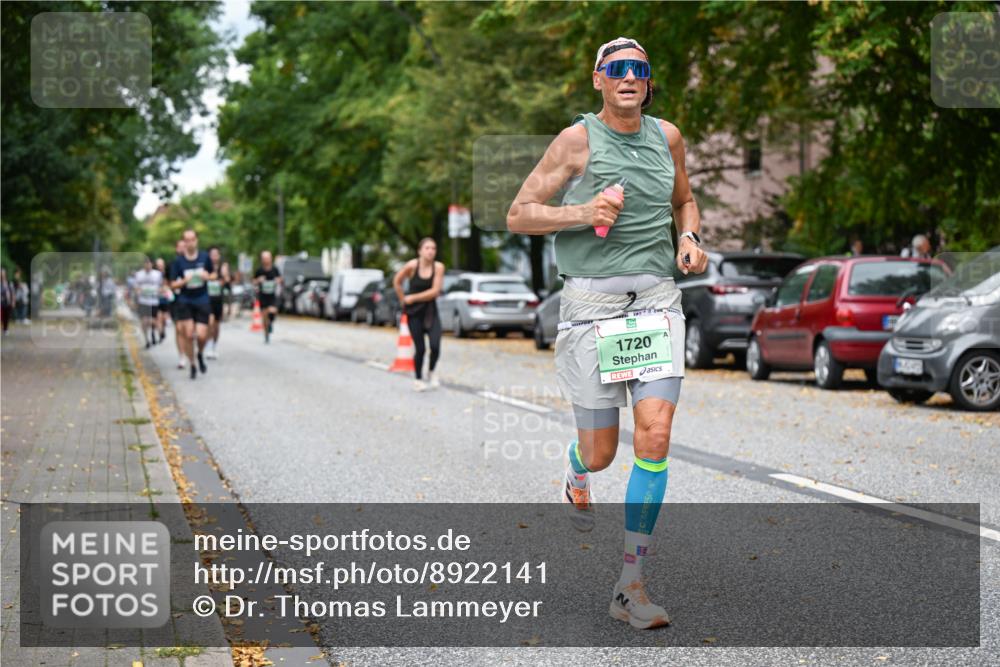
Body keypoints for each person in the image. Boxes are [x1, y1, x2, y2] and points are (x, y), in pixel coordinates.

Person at [507, 36, 708, 630]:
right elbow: (519, 212)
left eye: (639, 70)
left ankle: (630, 585)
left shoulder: (667, 137)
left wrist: (690, 239)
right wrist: (582, 213)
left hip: (654, 301)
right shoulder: (576, 141)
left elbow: (686, 201)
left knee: (656, 432)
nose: (628, 77)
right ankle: (575, 471)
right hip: (591, 306)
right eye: (616, 69)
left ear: (648, 83)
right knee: (601, 453)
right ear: (598, 79)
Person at [393, 238, 445, 391]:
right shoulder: (412, 265)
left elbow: (435, 292)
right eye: (427, 248)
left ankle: (431, 371)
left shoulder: (439, 267)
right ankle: (418, 379)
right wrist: (402, 299)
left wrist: (412, 297)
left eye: (433, 248)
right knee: (420, 348)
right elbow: (397, 281)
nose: (430, 251)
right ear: (420, 251)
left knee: (435, 346)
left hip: (430, 311)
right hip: (414, 312)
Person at [170, 229, 214, 379]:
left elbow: (214, 274)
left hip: (202, 299)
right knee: (188, 335)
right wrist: (184, 281)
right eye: (187, 240)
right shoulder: (178, 262)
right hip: (185, 300)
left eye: (192, 239)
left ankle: (200, 353)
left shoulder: (204, 257)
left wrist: (207, 276)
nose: (190, 243)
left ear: (196, 241)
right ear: (184, 242)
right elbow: (172, 284)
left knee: (201, 336)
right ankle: (193, 364)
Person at [133, 257, 163, 348]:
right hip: (143, 301)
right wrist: (138, 292)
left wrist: (160, 291)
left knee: (153, 320)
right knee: (144, 321)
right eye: (146, 264)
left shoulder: (157, 274)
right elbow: (136, 287)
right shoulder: (139, 274)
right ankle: (147, 340)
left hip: (154, 301)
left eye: (149, 263)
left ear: (152, 264)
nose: (147, 265)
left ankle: (159, 332)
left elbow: (162, 286)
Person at [205, 246, 229, 359]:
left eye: (216, 254)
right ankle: (209, 346)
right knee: (209, 323)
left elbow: (227, 282)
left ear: (219, 256)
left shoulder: (223, 268)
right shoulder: (205, 268)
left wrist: (224, 275)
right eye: (212, 254)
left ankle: (214, 346)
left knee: (216, 325)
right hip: (207, 300)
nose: (214, 256)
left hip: (218, 300)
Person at [253, 251, 281, 343]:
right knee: (264, 317)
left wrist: (278, 280)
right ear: (262, 259)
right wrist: (258, 280)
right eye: (264, 258)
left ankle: (270, 323)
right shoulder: (259, 270)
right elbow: (253, 281)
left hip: (272, 295)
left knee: (273, 311)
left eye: (267, 258)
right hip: (263, 296)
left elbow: (280, 279)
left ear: (270, 259)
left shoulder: (275, 269)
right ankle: (266, 336)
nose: (266, 260)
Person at [155, 257, 171, 343]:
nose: (160, 267)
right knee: (158, 317)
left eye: (161, 265)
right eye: (158, 265)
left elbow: (171, 283)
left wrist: (167, 288)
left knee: (164, 318)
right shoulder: (154, 274)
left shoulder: (167, 273)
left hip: (166, 298)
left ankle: (163, 330)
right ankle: (160, 333)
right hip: (156, 298)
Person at [0, 269, 13, 335]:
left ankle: (5, 329)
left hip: (7, 302)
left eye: (3, 274)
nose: (2, 275)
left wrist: (13, 301)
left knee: (6, 317)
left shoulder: (8, 282)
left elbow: (12, 292)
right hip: (1, 303)